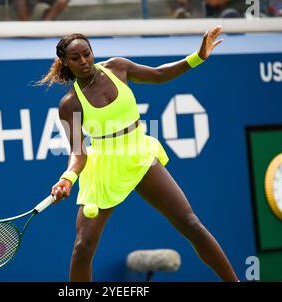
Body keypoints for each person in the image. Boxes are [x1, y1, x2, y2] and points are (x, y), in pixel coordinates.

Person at [39, 26, 239, 282]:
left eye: (87, 54)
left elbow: (159, 74)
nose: (84, 61)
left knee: (190, 223)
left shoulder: (117, 68)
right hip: (104, 167)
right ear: (66, 63)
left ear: (92, 51)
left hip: (139, 155)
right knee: (82, 248)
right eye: (75, 58)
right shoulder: (70, 104)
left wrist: (198, 56)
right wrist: (67, 179)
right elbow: (78, 154)